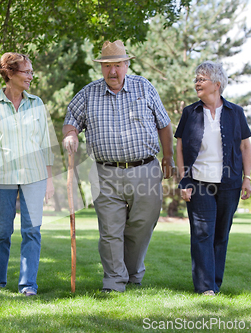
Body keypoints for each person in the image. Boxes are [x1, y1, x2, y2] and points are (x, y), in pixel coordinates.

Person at [62, 40, 174, 292]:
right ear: (101, 68)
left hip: (145, 169)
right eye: (107, 66)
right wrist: (70, 135)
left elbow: (164, 124)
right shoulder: (88, 94)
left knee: (142, 225)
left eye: (117, 65)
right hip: (105, 172)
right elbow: (71, 121)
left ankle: (133, 273)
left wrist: (168, 157)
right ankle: (113, 281)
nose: (112, 71)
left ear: (127, 65)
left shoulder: (144, 88)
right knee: (111, 231)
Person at [0, 52, 55, 296]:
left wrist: (50, 179)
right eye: (26, 72)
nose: (31, 76)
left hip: (34, 176)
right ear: (10, 73)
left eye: (31, 71)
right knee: (1, 231)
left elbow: (46, 142)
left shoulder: (37, 103)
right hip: (2, 178)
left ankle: (28, 284)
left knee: (32, 231)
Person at [175, 61, 251, 296]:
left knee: (221, 235)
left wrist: (247, 178)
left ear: (217, 84)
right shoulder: (190, 112)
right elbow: (179, 147)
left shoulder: (235, 112)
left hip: (229, 183)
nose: (197, 82)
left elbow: (245, 147)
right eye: (196, 78)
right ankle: (205, 287)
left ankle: (215, 284)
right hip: (198, 181)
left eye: (202, 79)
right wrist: (183, 180)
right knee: (202, 234)